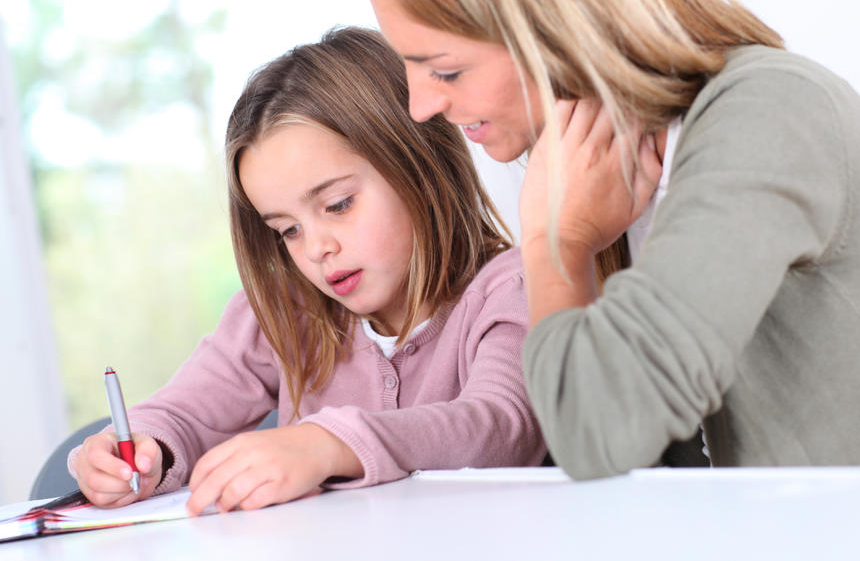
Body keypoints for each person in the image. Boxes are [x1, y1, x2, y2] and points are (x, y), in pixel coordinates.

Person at [356, 0, 860, 476]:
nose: (420, 106)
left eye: (444, 69)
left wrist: (557, 243)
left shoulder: (767, 115)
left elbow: (598, 436)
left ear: (555, 21)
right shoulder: (618, 165)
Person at [70, 26, 546, 512]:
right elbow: (182, 412)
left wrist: (328, 444)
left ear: (420, 166)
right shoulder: (283, 312)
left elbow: (502, 427)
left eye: (338, 204)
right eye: (288, 230)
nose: (316, 248)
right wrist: (140, 448)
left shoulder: (514, 288)